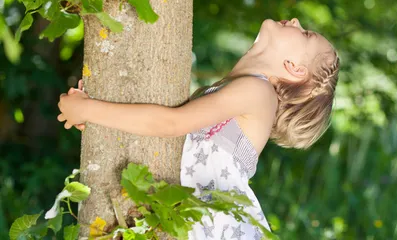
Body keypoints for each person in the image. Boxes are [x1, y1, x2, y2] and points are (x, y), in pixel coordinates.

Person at [57, 18, 340, 239]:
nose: (295, 21)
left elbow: (170, 124)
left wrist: (88, 110)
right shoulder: (237, 89)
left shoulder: (259, 91)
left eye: (305, 34)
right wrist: (100, 117)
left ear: (294, 68)